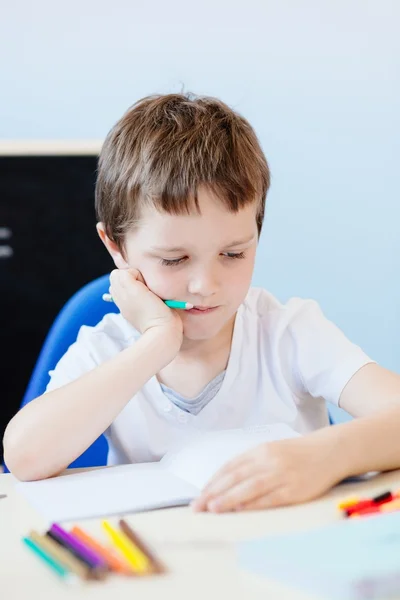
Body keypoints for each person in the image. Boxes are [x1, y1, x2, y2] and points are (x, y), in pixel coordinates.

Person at [4, 94, 400, 513]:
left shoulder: (289, 331)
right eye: (175, 259)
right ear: (116, 247)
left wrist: (324, 456)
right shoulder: (107, 349)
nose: (206, 285)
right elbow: (25, 458)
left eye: (233, 254)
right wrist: (156, 342)